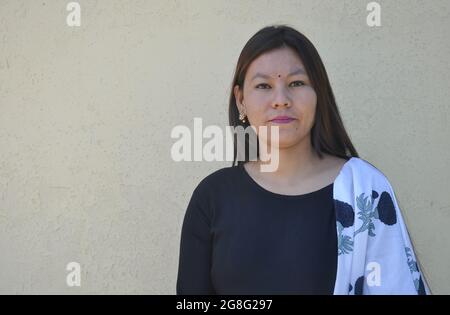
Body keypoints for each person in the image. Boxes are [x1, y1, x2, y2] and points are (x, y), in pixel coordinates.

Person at [176, 24, 430, 295]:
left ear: (318, 93)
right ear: (241, 101)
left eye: (296, 83)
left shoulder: (365, 191)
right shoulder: (213, 198)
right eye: (263, 85)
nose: (281, 100)